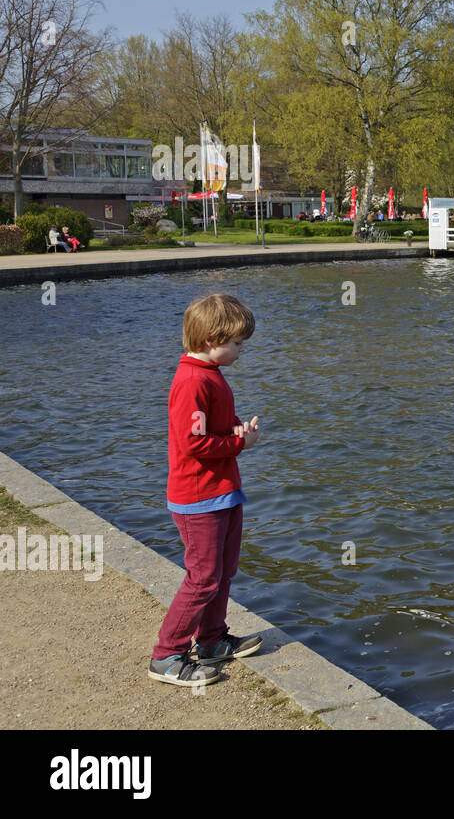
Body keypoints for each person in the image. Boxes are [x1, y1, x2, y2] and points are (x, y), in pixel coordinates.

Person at [148, 293, 263, 687]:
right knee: (202, 577)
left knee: (223, 572)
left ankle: (212, 640)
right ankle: (166, 655)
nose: (241, 349)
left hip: (223, 491)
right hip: (198, 497)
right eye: (236, 343)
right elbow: (193, 443)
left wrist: (233, 428)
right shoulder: (193, 380)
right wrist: (239, 444)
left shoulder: (211, 374)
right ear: (211, 340)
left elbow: (211, 426)